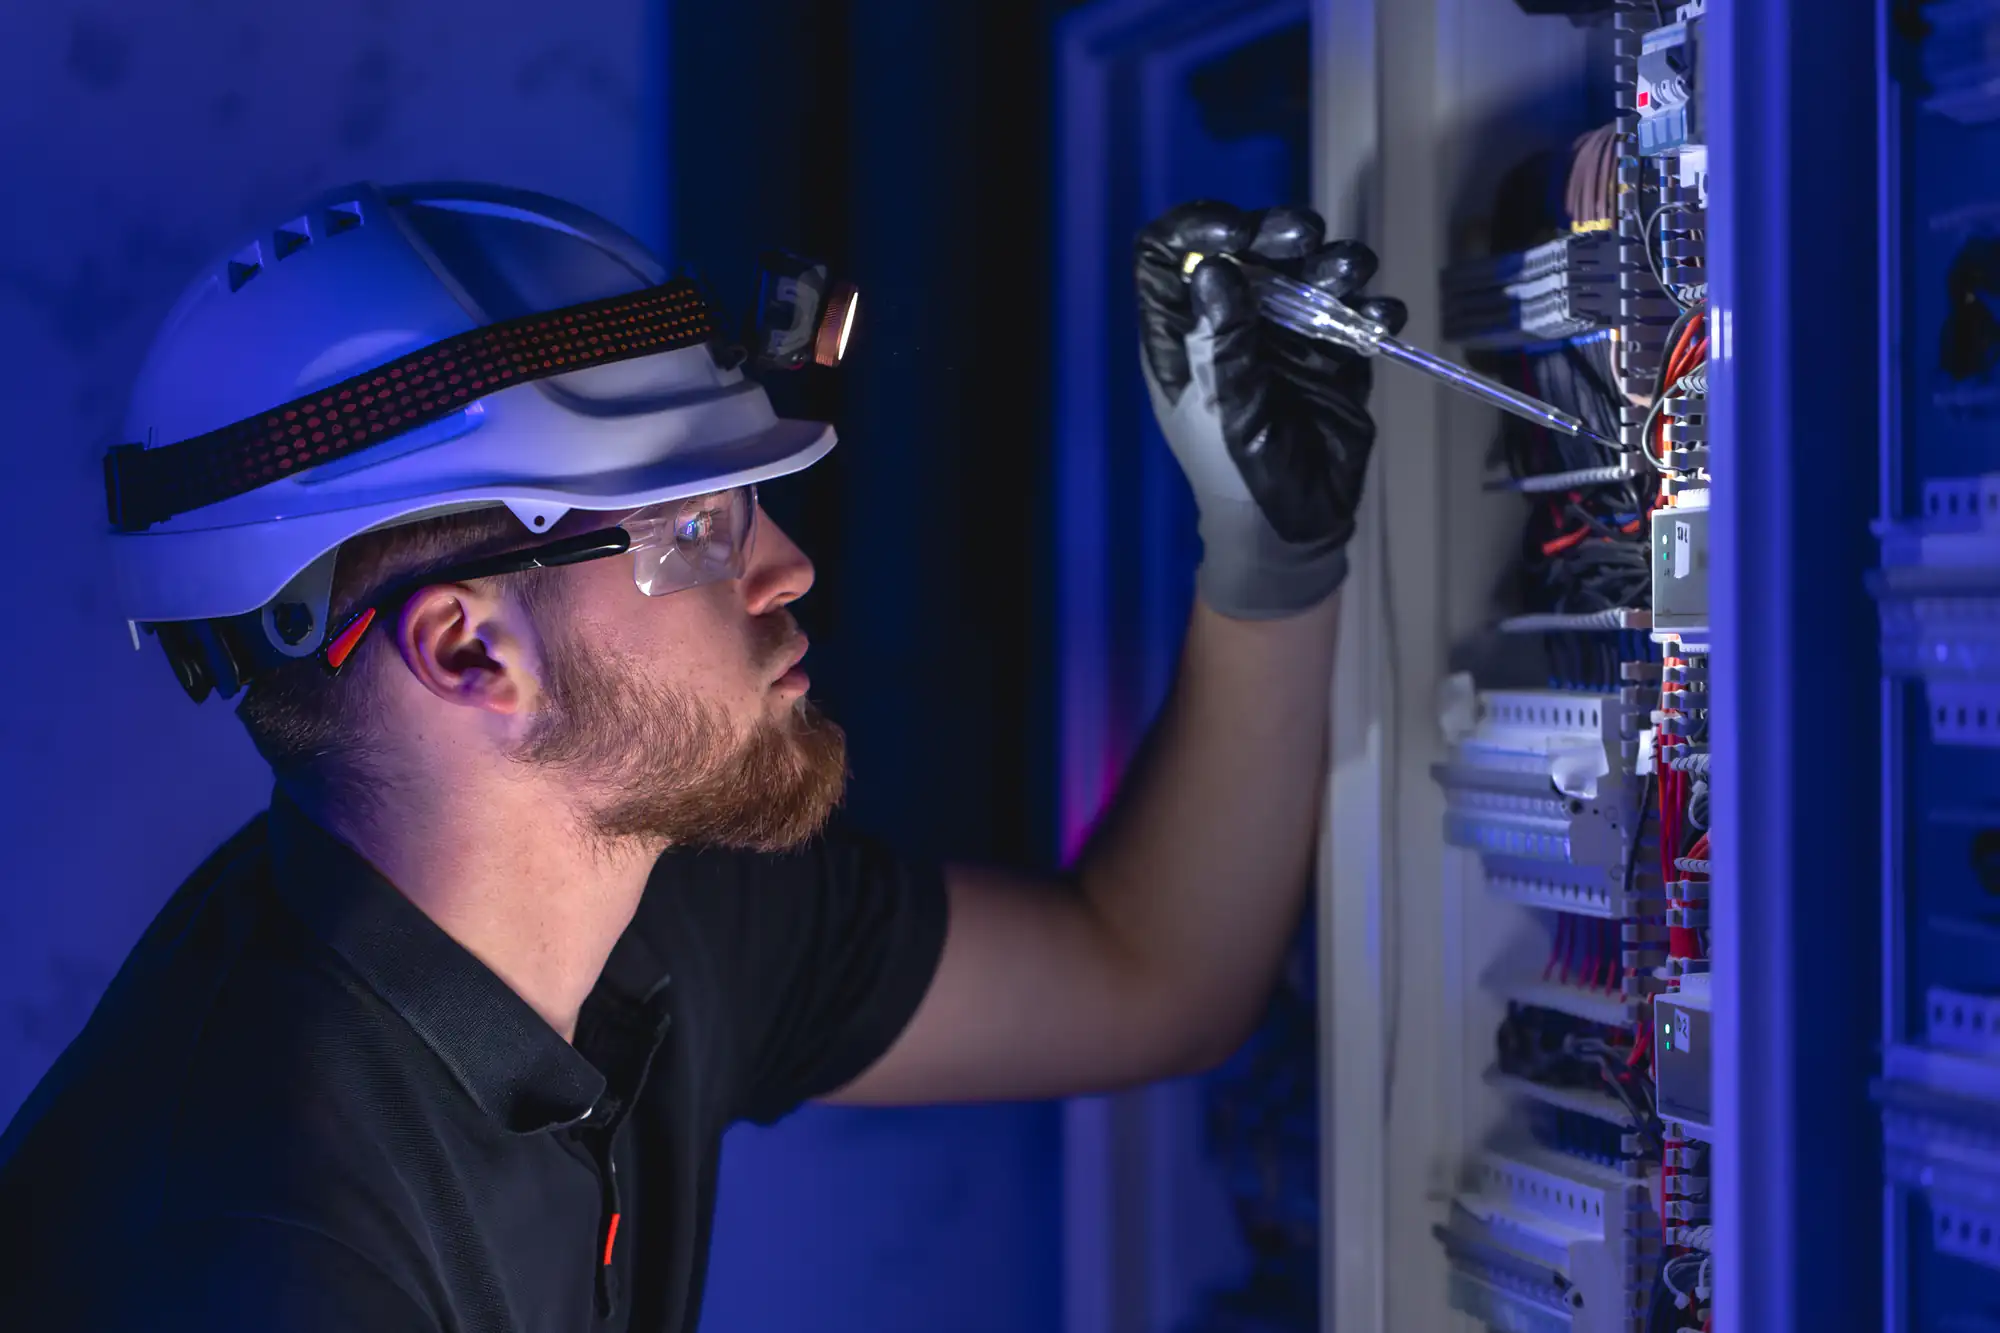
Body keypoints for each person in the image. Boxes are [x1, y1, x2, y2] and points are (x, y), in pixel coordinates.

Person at [0, 182, 1402, 1332]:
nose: (789, 569)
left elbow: (1151, 976)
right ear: (468, 651)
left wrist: (1272, 556)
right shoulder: (245, 1253)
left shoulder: (659, 891)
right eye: (699, 528)